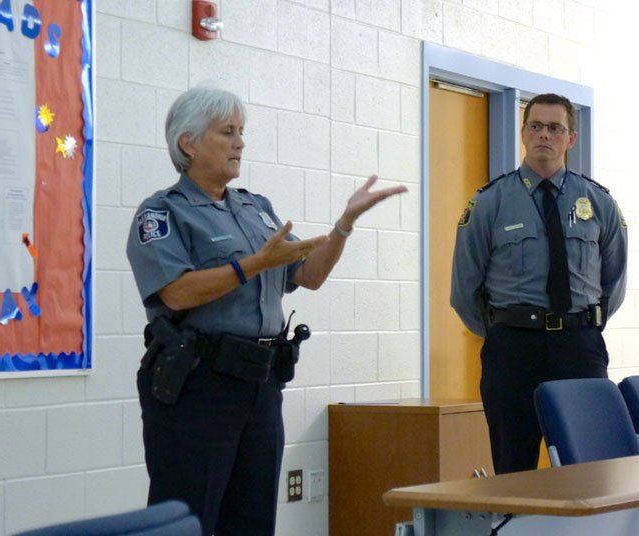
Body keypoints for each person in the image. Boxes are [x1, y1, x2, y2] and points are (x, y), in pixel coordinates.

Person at [125, 85, 407, 535]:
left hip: (260, 385)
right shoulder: (162, 213)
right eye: (227, 132)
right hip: (198, 388)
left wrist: (343, 225)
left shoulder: (256, 210)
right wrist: (255, 263)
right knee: (185, 522)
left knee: (253, 521)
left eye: (242, 131)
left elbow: (308, 275)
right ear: (188, 143)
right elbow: (176, 293)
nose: (240, 142)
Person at [450, 93, 628, 474]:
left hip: (579, 346)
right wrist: (505, 329)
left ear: (571, 138)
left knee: (591, 468)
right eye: (536, 126)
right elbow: (464, 290)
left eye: (555, 128)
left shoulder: (598, 203)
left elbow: (614, 280)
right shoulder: (489, 203)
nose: (544, 135)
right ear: (523, 133)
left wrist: (582, 323)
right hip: (513, 349)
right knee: (514, 471)